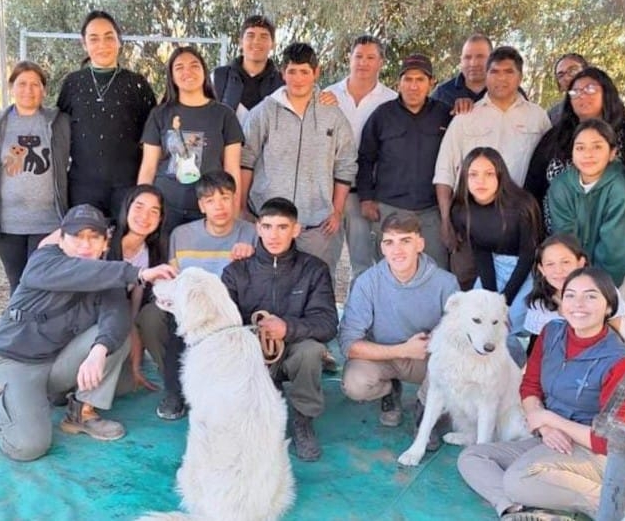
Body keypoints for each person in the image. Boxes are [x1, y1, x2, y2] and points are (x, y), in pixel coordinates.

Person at [0, 204, 176, 462]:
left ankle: (80, 412)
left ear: (105, 243)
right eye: (76, 236)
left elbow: (116, 318)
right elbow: (79, 272)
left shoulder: (106, 274)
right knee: (28, 447)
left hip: (57, 364)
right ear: (61, 239)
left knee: (117, 342)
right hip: (16, 361)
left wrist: (99, 351)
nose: (85, 245)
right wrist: (138, 273)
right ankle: (5, 399)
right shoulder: (44, 260)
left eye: (93, 237)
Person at [457, 267, 625, 520]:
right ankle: (520, 510)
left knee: (519, 479)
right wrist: (543, 426)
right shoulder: (552, 332)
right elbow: (530, 385)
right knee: (472, 457)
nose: (578, 304)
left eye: (590, 296)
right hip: (548, 438)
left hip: (593, 451)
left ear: (609, 307)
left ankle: (617, 503)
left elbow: (610, 441)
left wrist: (549, 419)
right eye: (570, 295)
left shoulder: (620, 361)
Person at [222, 197, 338, 462]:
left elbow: (328, 323)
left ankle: (303, 419)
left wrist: (288, 328)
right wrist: (254, 337)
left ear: (296, 230)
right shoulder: (235, 271)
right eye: (267, 227)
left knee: (311, 350)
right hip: (251, 356)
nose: (274, 235)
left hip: (292, 353)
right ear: (258, 228)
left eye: (282, 227)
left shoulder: (314, 269)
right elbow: (224, 326)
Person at [434, 46, 550, 290]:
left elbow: (547, 168)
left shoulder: (537, 117)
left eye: (509, 72)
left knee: (519, 287)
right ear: (485, 76)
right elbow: (444, 172)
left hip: (518, 224)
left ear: (520, 76)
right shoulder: (466, 116)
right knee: (467, 286)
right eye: (495, 71)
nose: (501, 78)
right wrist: (446, 220)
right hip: (470, 221)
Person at [240, 42, 357, 279]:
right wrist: (241, 207)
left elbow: (345, 164)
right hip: (270, 222)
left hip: (316, 226)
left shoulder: (333, 114)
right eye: (292, 71)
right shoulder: (264, 111)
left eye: (304, 71)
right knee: (267, 284)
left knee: (315, 285)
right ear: (282, 73)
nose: (298, 79)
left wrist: (336, 211)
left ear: (316, 73)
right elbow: (246, 158)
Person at [151, 172, 257, 419]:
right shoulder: (181, 235)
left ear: (235, 199)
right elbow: (174, 280)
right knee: (165, 323)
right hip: (192, 308)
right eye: (210, 200)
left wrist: (253, 256)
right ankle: (175, 391)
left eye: (225, 198)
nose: (219, 206)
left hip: (231, 308)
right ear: (201, 206)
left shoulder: (251, 233)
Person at [339, 213, 458, 430]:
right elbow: (349, 344)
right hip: (384, 355)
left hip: (425, 358)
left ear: (420, 244)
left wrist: (434, 340)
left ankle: (425, 405)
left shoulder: (446, 283)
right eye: (389, 242)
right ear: (382, 248)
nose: (397, 250)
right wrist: (403, 350)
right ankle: (389, 390)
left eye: (405, 241)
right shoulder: (366, 283)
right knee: (355, 384)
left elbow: (458, 335)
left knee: (456, 367)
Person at [0, 61, 70, 294]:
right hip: (7, 225)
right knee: (18, 284)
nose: (28, 90)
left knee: (41, 284)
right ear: (11, 87)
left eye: (35, 84)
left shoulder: (59, 123)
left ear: (44, 90)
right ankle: (17, 318)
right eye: (22, 84)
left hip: (49, 222)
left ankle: (35, 318)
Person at [547, 118, 625, 326]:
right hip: (589, 265)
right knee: (573, 321)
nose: (588, 154)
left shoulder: (622, 185)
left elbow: (614, 247)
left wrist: (594, 292)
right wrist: (573, 286)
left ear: (612, 153)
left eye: (597, 147)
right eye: (580, 148)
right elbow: (566, 241)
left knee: (608, 325)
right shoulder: (560, 186)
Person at [57, 10, 156, 220]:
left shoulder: (137, 84)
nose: (102, 44)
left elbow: (152, 139)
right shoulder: (72, 84)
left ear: (119, 41)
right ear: (84, 44)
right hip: (82, 188)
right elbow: (59, 134)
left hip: (128, 187)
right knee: (84, 238)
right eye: (94, 39)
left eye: (109, 37)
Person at [357, 53, 452, 270]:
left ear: (431, 83)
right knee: (392, 270)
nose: (413, 86)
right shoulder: (382, 115)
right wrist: (366, 198)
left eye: (420, 80)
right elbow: (365, 158)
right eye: (408, 79)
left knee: (435, 269)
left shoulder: (444, 114)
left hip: (431, 212)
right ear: (399, 83)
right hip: (389, 209)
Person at [525, 66, 625, 231]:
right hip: (560, 232)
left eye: (590, 89)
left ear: (606, 93)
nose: (581, 95)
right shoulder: (556, 137)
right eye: (575, 92)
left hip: (618, 229)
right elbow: (534, 184)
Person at [138, 46, 244, 233]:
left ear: (204, 71)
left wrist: (233, 214)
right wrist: (143, 208)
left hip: (211, 211)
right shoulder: (159, 114)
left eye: (194, 65)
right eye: (179, 67)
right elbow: (148, 167)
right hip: (166, 209)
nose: (187, 72)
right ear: (172, 76)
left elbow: (232, 169)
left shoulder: (224, 115)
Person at [323, 35, 398, 281]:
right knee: (324, 263)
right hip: (329, 192)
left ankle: (362, 306)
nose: (363, 63)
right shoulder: (328, 95)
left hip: (365, 195)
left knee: (363, 263)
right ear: (349, 58)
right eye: (358, 56)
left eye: (370, 57)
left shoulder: (391, 101)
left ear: (381, 62)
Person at [450, 147, 541, 347]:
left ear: (500, 175)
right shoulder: (461, 210)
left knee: (509, 324)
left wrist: (503, 303)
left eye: (489, 174)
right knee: (477, 317)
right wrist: (491, 300)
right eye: (473, 174)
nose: (480, 181)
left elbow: (528, 256)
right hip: (493, 265)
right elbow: (481, 252)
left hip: (525, 270)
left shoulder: (522, 205)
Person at [107, 185, 168, 395]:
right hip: (90, 319)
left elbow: (133, 314)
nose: (145, 216)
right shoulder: (103, 238)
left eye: (154, 211)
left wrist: (135, 367)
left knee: (125, 387)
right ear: (127, 207)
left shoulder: (150, 255)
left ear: (160, 219)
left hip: (117, 321)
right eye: (139, 207)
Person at [524, 233, 625, 351]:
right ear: (542, 269)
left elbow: (615, 338)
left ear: (580, 263)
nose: (558, 270)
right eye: (550, 264)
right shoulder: (539, 304)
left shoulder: (602, 291)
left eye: (565, 262)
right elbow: (538, 349)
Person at [210, 15, 284, 123]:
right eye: (250, 36)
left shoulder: (283, 83)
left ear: (273, 44)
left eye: (264, 37)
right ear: (240, 42)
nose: (256, 41)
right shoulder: (218, 77)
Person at [432, 34, 494, 107]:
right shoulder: (443, 94)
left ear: (493, 59)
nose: (473, 63)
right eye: (467, 57)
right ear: (461, 60)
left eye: (480, 57)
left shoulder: (503, 91)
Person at [546, 53, 588, 126]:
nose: (566, 78)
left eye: (572, 71)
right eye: (561, 75)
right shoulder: (552, 116)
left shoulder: (606, 104)